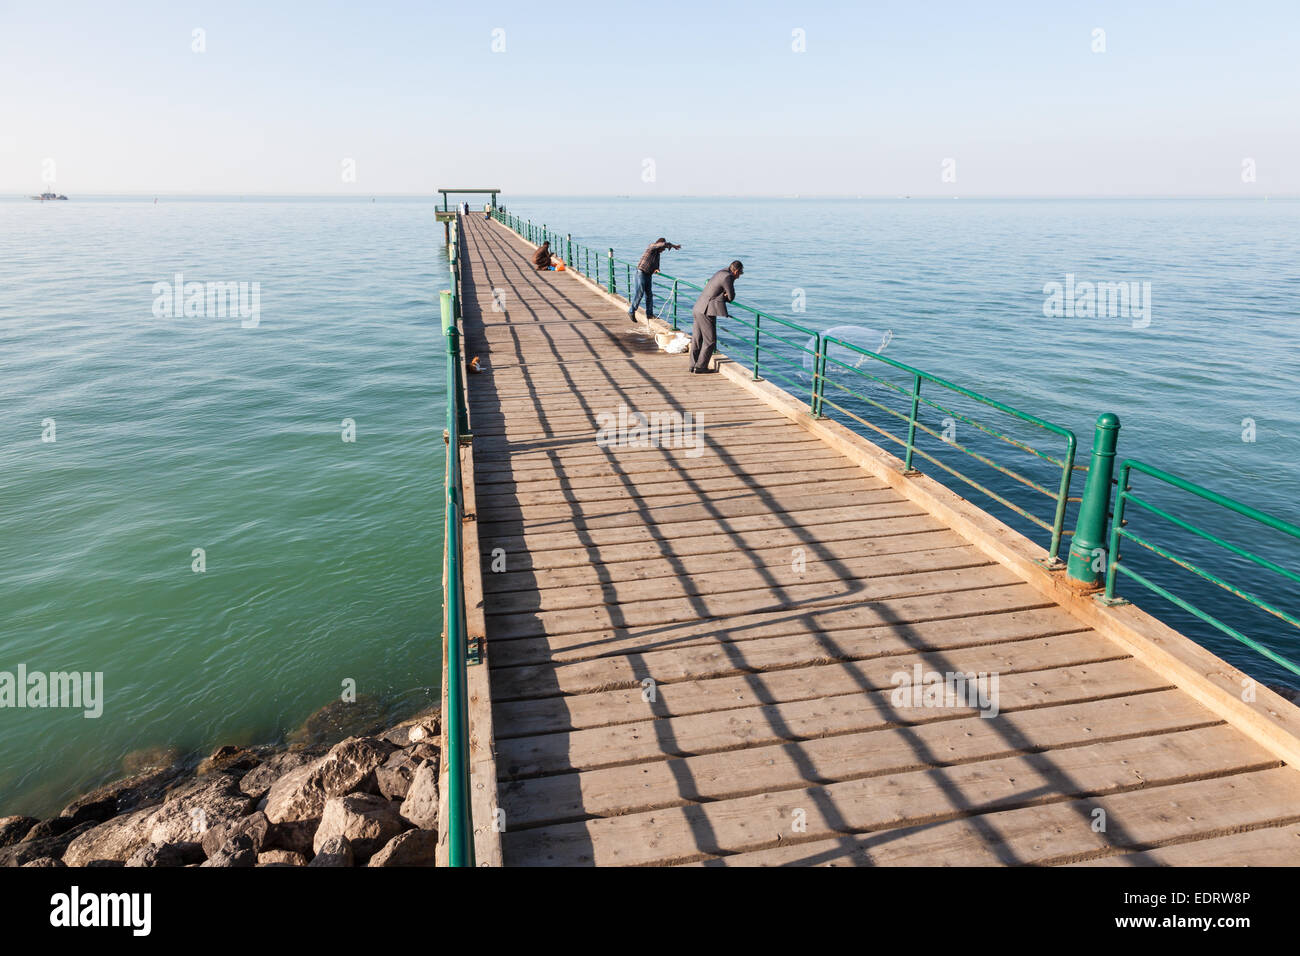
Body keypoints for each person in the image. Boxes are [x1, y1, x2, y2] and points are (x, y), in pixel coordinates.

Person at [689, 260, 743, 373]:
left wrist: (721, 294)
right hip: (706, 311)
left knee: (697, 339)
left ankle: (692, 365)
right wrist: (725, 296)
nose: (739, 276)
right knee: (710, 340)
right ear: (736, 271)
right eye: (740, 273)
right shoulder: (728, 277)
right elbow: (731, 296)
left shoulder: (721, 272)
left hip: (698, 307)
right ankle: (700, 367)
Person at [628, 237, 681, 322]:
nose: (663, 251)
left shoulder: (657, 254)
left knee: (649, 294)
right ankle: (631, 311)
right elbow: (662, 244)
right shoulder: (651, 247)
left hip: (648, 274)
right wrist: (673, 246)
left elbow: (656, 264)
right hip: (641, 272)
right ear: (659, 246)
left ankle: (649, 314)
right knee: (639, 293)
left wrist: (657, 269)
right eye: (663, 249)